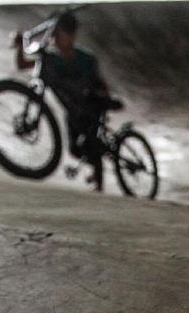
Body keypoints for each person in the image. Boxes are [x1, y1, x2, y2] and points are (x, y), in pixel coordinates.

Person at [13, 12, 117, 191]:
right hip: (73, 110)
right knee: (75, 150)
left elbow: (101, 83)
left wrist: (105, 101)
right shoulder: (52, 59)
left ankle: (99, 186)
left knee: (89, 142)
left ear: (73, 35)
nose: (54, 38)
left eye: (59, 34)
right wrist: (19, 46)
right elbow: (23, 65)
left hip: (91, 105)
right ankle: (95, 167)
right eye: (53, 34)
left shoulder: (85, 58)